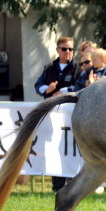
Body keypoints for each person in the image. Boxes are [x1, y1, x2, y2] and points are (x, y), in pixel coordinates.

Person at [34, 36, 82, 192]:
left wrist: (61, 91)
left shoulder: (77, 67)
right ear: (57, 50)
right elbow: (38, 85)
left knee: (72, 148)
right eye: (64, 49)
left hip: (71, 114)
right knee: (55, 147)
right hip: (52, 115)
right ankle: (58, 185)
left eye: (70, 49)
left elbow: (78, 86)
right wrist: (46, 90)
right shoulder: (49, 67)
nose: (68, 52)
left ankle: (73, 184)